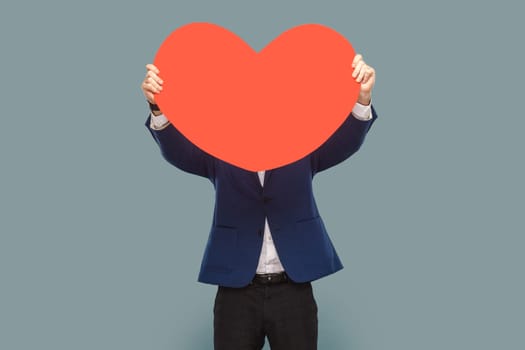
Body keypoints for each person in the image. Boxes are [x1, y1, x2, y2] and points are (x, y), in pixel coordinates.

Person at [142, 54, 377, 350]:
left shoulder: (302, 143)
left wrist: (363, 98)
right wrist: (157, 106)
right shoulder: (220, 147)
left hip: (293, 289)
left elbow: (345, 141)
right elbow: (180, 152)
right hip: (236, 291)